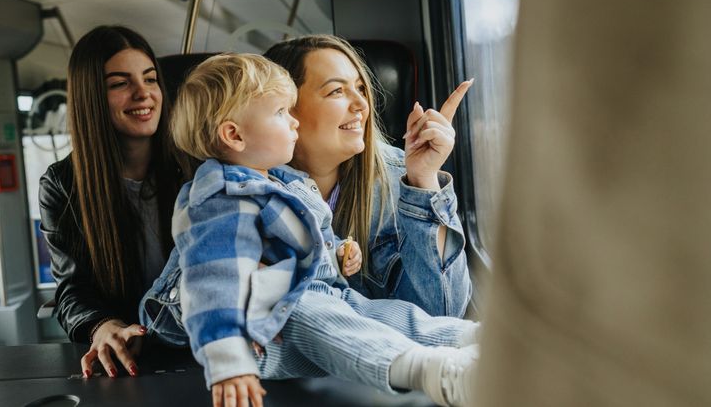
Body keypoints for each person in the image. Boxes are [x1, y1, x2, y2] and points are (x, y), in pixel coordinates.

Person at [156, 53, 478, 407]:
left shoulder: (289, 182)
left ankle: (481, 343)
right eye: (282, 112)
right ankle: (432, 372)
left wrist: (336, 253)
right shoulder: (223, 196)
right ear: (234, 134)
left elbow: (307, 242)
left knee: (386, 316)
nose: (361, 104)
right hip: (271, 326)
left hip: (331, 297)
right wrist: (229, 362)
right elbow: (211, 281)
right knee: (311, 310)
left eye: (361, 89)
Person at [264, 35, 473, 317]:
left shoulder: (401, 177)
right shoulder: (246, 187)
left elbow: (444, 313)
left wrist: (424, 181)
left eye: (361, 88)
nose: (361, 104)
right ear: (284, 109)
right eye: (337, 91)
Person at [38, 25, 181, 379]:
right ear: (92, 98)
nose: (143, 94)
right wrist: (101, 325)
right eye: (120, 84)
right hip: (128, 356)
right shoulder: (62, 185)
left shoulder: (194, 166)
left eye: (150, 79)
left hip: (202, 340)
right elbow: (72, 287)